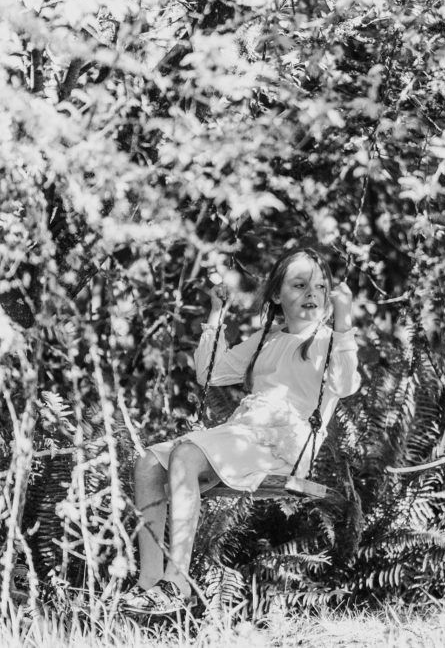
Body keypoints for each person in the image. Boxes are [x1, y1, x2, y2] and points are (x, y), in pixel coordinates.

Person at [129, 245, 361, 614]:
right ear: (276, 295)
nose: (311, 294)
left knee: (186, 454)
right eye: (299, 285)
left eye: (319, 287)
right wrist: (217, 312)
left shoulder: (325, 342)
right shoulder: (266, 341)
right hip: (243, 434)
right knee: (148, 464)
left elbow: (346, 383)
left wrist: (345, 322)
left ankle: (177, 582)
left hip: (280, 446)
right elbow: (211, 373)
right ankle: (149, 581)